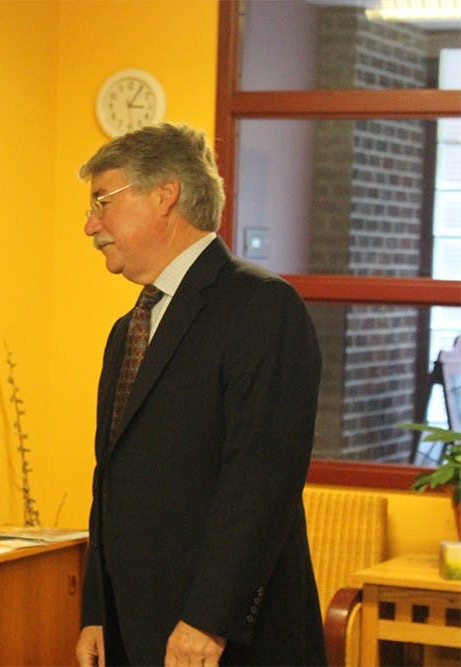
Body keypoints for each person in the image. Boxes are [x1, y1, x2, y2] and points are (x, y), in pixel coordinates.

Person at [75, 123, 326, 667]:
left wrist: (209, 620)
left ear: (166, 193)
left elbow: (261, 483)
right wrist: (97, 610)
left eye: (103, 201)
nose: (90, 224)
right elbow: (111, 479)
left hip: (219, 640)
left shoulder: (262, 307)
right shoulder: (129, 328)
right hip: (131, 631)